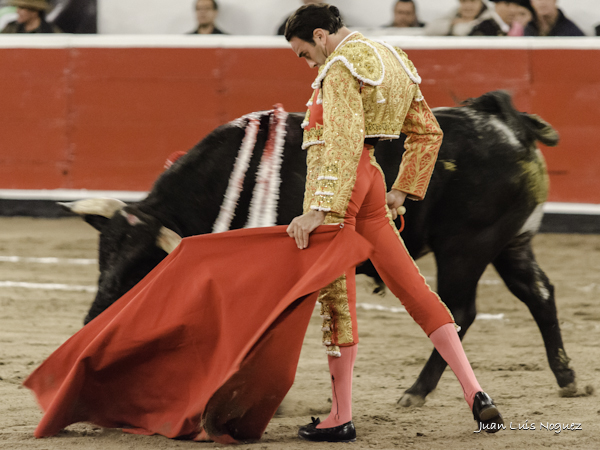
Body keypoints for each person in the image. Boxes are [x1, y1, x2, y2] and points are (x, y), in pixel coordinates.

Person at [284, 3, 503, 442]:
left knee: (338, 299)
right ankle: (475, 391)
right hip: (373, 181)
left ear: (321, 36)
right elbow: (428, 132)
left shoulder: (340, 67)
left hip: (342, 187)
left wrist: (319, 208)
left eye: (304, 52)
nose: (308, 63)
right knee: (413, 286)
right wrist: (401, 190)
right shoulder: (395, 57)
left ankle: (340, 415)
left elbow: (342, 142)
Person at [424, 0, 493, 36]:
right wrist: (451, 23)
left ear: (481, 3)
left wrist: (464, 23)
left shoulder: (491, 20)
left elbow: (460, 31)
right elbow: (429, 29)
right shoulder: (454, 14)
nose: (468, 5)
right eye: (463, 1)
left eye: (473, 1)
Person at [469, 0, 535, 36]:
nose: (513, 10)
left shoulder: (520, 27)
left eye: (516, 5)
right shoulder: (484, 28)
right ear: (496, 4)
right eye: (507, 4)